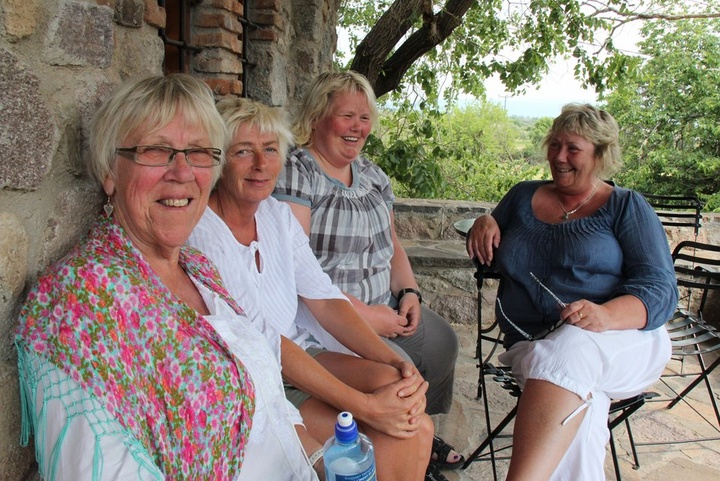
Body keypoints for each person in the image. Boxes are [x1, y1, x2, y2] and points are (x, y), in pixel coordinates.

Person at [15, 74, 318, 480]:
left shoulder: (198, 269)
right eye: (156, 150)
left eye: (198, 152)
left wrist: (321, 463)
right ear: (110, 172)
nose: (182, 171)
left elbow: (270, 399)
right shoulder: (81, 301)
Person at [187, 96, 437, 481]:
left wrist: (394, 360)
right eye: (243, 151)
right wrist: (367, 408)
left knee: (402, 396)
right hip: (258, 377)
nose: (260, 164)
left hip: (302, 353)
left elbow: (325, 299)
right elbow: (263, 341)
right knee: (404, 432)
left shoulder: (274, 216)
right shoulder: (202, 231)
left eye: (270, 150)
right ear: (219, 160)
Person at [465, 103, 677, 481]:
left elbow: (660, 290)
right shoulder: (521, 197)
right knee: (580, 394)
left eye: (573, 148)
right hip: (532, 344)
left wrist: (607, 315)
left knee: (570, 350)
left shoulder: (626, 207)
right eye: (554, 145)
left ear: (600, 155)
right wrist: (486, 220)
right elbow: (491, 235)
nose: (559, 157)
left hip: (623, 340)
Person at [273, 70, 464, 470]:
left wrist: (410, 293)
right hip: (332, 317)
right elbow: (296, 272)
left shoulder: (373, 174)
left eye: (365, 117)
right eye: (347, 115)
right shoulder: (299, 171)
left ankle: (423, 435)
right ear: (317, 116)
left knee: (443, 342)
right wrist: (368, 316)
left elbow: (391, 244)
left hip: (387, 302)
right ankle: (407, 436)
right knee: (399, 378)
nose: (358, 127)